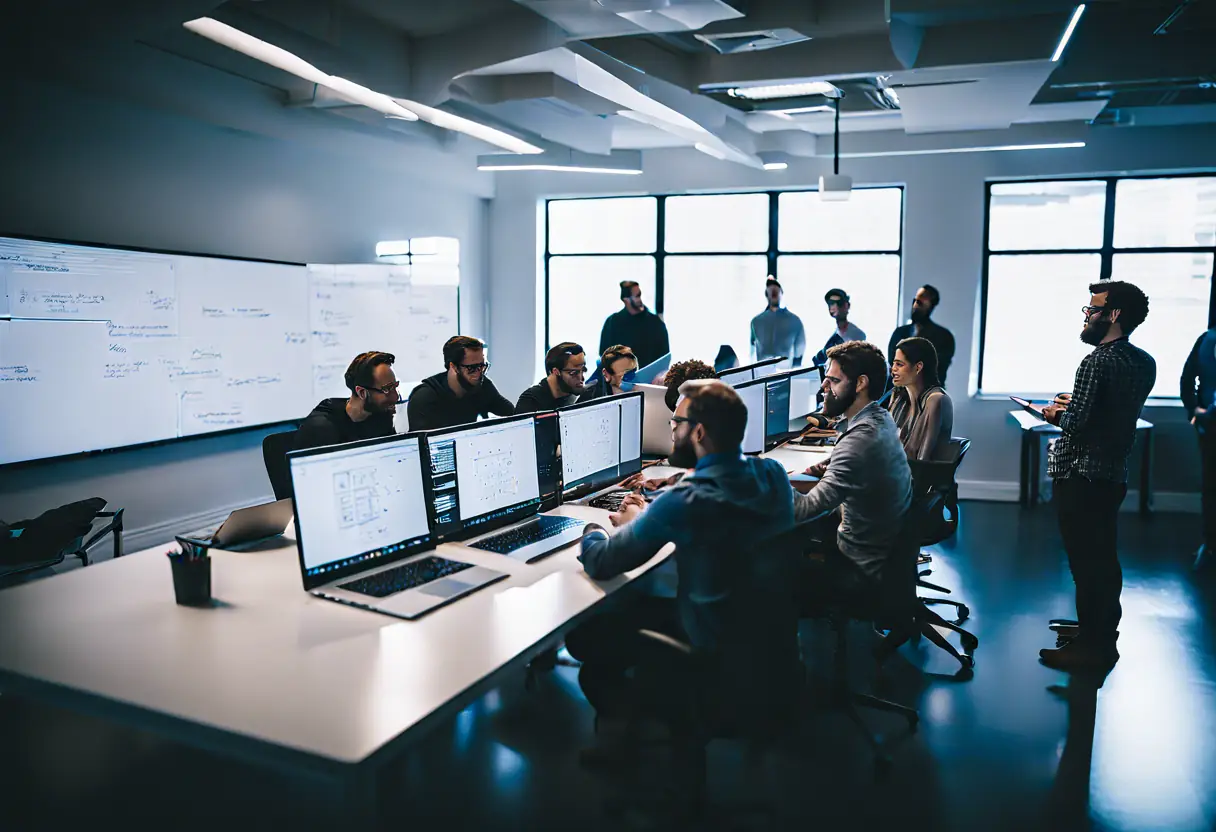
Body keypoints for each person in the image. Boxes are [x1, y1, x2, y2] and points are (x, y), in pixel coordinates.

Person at [565, 380, 795, 756]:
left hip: (709, 649)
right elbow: (721, 488)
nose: (671, 430)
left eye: (676, 422)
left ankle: (628, 743)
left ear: (699, 431)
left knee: (587, 637)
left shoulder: (685, 501)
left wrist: (593, 530)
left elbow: (603, 562)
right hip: (770, 647)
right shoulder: (772, 476)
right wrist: (654, 507)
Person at [1039, 281, 1156, 670]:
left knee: (1085, 564)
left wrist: (1056, 414)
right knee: (1104, 560)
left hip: (1080, 475)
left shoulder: (1095, 362)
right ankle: (1100, 631)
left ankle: (1091, 646)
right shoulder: (1143, 362)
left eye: (1093, 309)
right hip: (1112, 475)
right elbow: (1114, 415)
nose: (1087, 316)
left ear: (1113, 314)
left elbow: (1081, 426)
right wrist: (1080, 405)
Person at [793, 341, 913, 596]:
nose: (824, 387)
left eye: (833, 381)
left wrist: (768, 475)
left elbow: (803, 510)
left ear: (860, 384)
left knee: (760, 557)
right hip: (883, 548)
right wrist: (815, 469)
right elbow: (847, 465)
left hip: (854, 563)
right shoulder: (880, 419)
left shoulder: (860, 439)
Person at [406, 336, 515, 431]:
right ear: (453, 367)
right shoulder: (424, 398)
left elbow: (514, 415)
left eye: (482, 366)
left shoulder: (482, 385)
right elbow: (421, 448)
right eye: (471, 368)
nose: (479, 373)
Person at [296, 351, 399, 450]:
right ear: (362, 393)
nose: (395, 397)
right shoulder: (321, 429)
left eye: (395, 387)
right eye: (387, 389)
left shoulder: (380, 416)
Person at [1181, 327, 1216, 570]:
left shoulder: (1207, 338)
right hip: (1209, 426)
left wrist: (1195, 410)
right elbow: (1187, 377)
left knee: (1211, 486)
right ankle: (1210, 544)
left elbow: (1187, 377)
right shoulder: (1207, 339)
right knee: (1211, 486)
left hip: (1209, 425)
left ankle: (1210, 546)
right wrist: (1195, 411)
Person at [888, 336, 954, 461]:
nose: (893, 369)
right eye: (893, 363)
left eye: (899, 364)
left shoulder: (937, 400)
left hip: (917, 477)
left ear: (918, 367)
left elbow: (921, 461)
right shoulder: (899, 397)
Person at [887, 285, 956, 387]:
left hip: (926, 394)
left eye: (920, 303)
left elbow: (937, 369)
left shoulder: (943, 337)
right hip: (897, 392)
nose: (915, 306)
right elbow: (892, 362)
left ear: (931, 305)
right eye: (914, 301)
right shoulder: (900, 332)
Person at [598, 281, 670, 369]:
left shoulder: (655, 323)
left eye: (640, 295)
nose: (640, 299)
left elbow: (664, 357)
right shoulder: (612, 323)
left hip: (650, 379)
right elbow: (604, 355)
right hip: (620, 379)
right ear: (626, 299)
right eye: (637, 296)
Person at [515, 342, 587, 413]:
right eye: (574, 373)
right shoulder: (530, 402)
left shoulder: (583, 397)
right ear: (556, 371)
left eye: (583, 370)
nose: (582, 378)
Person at [750, 277, 806, 366]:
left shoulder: (794, 321)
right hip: (762, 372)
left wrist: (795, 373)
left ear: (781, 293)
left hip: (785, 371)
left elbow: (799, 350)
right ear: (766, 294)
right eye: (770, 290)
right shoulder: (756, 322)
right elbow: (751, 351)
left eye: (776, 290)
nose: (773, 291)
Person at [812, 288, 866, 368]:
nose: (833, 307)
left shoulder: (857, 334)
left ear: (847, 305)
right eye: (830, 303)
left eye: (838, 303)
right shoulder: (832, 335)